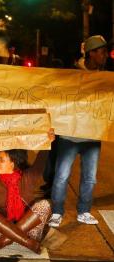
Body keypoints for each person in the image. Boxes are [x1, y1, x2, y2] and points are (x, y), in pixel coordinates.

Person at [49, 35, 108, 228]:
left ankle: (84, 211)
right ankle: (57, 211)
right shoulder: (72, 74)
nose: (105, 56)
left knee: (90, 178)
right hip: (69, 136)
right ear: (92, 53)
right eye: (102, 52)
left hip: (92, 136)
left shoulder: (106, 77)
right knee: (61, 176)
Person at [0, 129, 55, 254]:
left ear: (13, 163)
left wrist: (47, 142)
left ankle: (5, 242)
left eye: (1, 160)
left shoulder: (27, 177)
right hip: (2, 232)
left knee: (45, 204)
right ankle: (27, 243)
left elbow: (40, 164)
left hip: (27, 233)